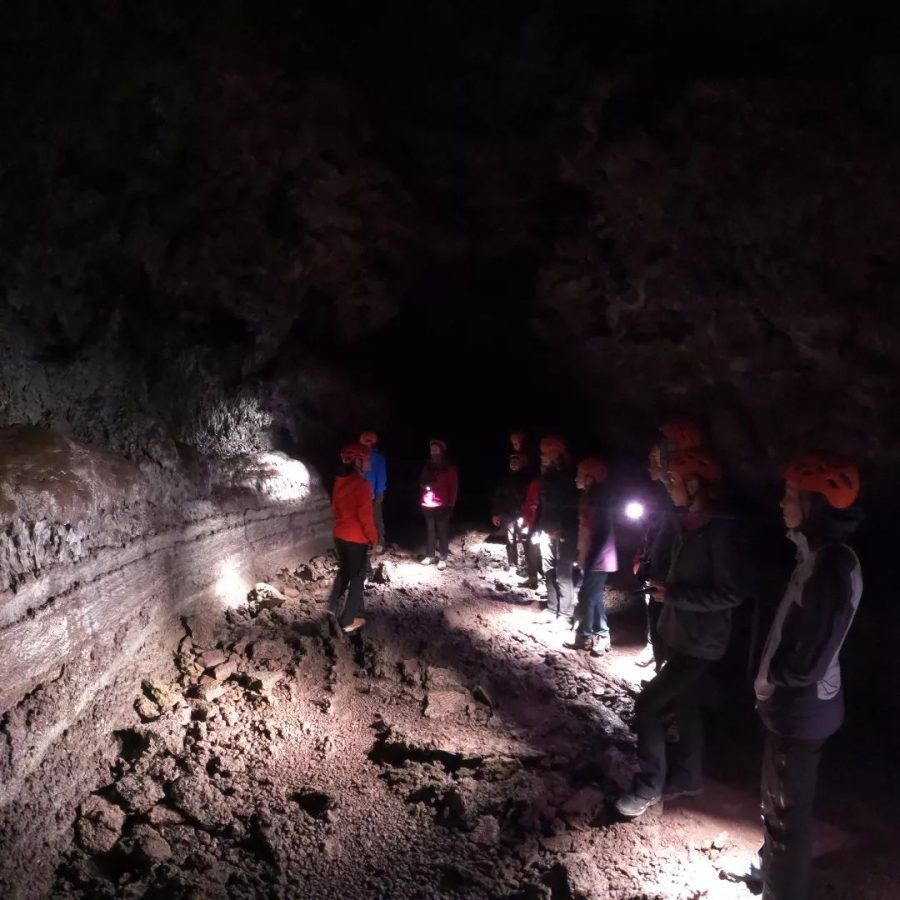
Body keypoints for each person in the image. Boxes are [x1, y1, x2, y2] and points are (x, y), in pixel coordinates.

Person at [752, 455, 862, 900]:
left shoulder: (829, 568)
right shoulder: (818, 556)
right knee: (779, 808)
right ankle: (771, 870)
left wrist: (774, 678)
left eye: (791, 496)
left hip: (801, 711)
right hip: (799, 708)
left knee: (786, 818)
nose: (782, 503)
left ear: (815, 505)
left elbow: (806, 661)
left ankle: (783, 892)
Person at [616, 446, 743, 818]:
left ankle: (649, 785)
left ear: (694, 484)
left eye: (672, 480)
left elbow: (731, 593)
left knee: (648, 706)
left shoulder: (718, 532)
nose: (667, 486)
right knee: (686, 707)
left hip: (702, 641)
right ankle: (689, 777)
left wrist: (676, 595)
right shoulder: (686, 523)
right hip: (678, 631)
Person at [635, 420, 704, 671]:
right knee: (656, 619)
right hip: (658, 570)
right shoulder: (663, 496)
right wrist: (643, 559)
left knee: (666, 623)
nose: (656, 462)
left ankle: (664, 670)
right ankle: (659, 661)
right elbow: (652, 532)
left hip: (669, 578)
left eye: (661, 455)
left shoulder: (683, 504)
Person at [566, 457, 617, 655]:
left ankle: (585, 636)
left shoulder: (599, 500)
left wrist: (591, 559)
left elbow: (602, 533)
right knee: (593, 597)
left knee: (586, 596)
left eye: (580, 474)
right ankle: (602, 636)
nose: (576, 477)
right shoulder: (590, 497)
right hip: (594, 557)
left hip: (599, 559)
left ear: (590, 478)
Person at [327, 443, 378, 633]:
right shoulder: (363, 485)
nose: (369, 462)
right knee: (358, 577)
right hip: (356, 538)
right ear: (358, 461)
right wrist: (373, 539)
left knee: (344, 572)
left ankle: (329, 609)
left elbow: (335, 509)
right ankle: (347, 621)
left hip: (340, 534)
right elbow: (366, 517)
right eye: (367, 459)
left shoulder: (339, 480)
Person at [534, 435, 579, 621]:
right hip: (547, 528)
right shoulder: (548, 474)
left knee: (563, 572)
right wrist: (540, 526)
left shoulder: (569, 473)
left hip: (563, 532)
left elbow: (571, 504)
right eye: (542, 452)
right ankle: (552, 608)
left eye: (547, 451)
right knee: (548, 569)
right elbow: (543, 504)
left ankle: (566, 614)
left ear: (557, 451)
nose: (543, 455)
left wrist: (561, 527)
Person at [420, 438, 459, 570]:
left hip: (443, 505)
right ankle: (430, 555)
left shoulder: (448, 468)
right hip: (427, 503)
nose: (433, 452)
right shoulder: (427, 466)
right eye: (432, 450)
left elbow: (453, 487)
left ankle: (443, 558)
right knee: (430, 531)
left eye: (436, 449)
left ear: (441, 451)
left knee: (442, 532)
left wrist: (451, 505)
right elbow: (422, 482)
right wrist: (425, 485)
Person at [492, 452, 530, 574]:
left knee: (525, 540)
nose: (513, 464)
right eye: (512, 462)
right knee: (510, 540)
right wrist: (495, 513)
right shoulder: (504, 478)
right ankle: (512, 563)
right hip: (507, 514)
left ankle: (529, 566)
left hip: (521, 514)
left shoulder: (526, 479)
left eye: (516, 462)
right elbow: (497, 497)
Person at [359, 431, 387, 552]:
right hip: (360, 493)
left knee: (376, 517)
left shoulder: (378, 458)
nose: (367, 443)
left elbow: (381, 475)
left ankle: (379, 542)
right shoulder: (358, 456)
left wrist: (380, 491)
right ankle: (365, 541)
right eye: (366, 441)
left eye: (369, 441)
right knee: (363, 518)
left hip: (373, 493)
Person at [520, 470, 543, 590]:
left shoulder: (539, 484)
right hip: (533, 523)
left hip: (536, 524)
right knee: (531, 551)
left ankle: (535, 578)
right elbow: (529, 503)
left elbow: (532, 505)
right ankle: (534, 576)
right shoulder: (535, 483)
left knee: (534, 551)